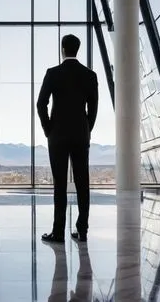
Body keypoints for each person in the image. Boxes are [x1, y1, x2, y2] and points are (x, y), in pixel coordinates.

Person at [37, 34, 99, 243]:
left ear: (63, 49)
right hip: (81, 135)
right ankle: (82, 231)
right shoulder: (89, 75)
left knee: (59, 185)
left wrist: (48, 129)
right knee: (83, 183)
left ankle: (58, 232)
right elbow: (94, 107)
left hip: (58, 137)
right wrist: (86, 127)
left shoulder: (53, 73)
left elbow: (41, 104)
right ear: (78, 49)